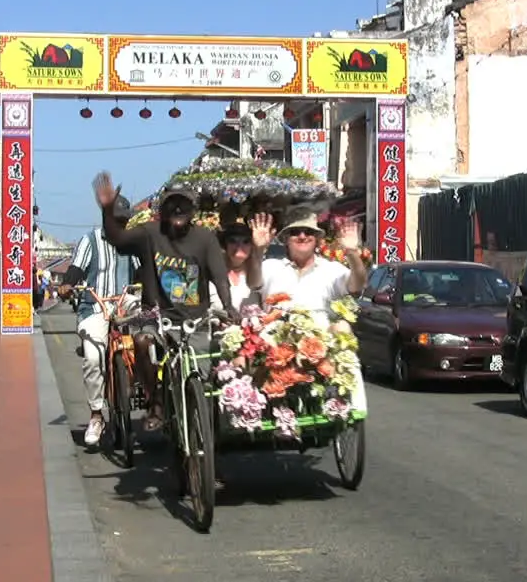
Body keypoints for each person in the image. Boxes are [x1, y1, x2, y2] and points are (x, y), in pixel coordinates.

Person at [93, 171, 233, 432]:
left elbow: (220, 277)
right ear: (163, 209)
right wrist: (107, 211)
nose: (178, 208)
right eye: (172, 204)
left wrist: (229, 306)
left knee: (203, 381)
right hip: (155, 315)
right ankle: (154, 402)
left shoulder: (205, 238)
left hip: (196, 320)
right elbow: (118, 239)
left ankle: (205, 446)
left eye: (183, 204)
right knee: (142, 341)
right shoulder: (149, 233)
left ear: (193, 209)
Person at [258, 212, 370, 412]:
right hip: (277, 335)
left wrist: (352, 253)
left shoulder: (331, 269)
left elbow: (357, 285)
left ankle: (353, 405)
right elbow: (253, 281)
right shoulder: (270, 267)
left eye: (308, 232)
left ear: (317, 239)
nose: (302, 236)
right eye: (295, 232)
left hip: (320, 337)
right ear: (285, 239)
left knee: (343, 328)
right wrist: (258, 250)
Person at [57, 196, 140, 448]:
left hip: (127, 300)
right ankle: (96, 415)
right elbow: (76, 269)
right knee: (93, 357)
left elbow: (143, 269)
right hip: (96, 304)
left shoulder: (133, 241)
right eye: (116, 220)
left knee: (149, 334)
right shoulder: (90, 240)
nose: (121, 225)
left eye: (124, 220)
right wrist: (67, 285)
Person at [209, 214, 272, 312]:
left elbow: (256, 284)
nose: (239, 246)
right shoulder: (212, 272)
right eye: (233, 241)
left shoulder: (263, 270)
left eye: (246, 241)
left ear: (252, 245)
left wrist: (259, 249)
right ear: (225, 245)